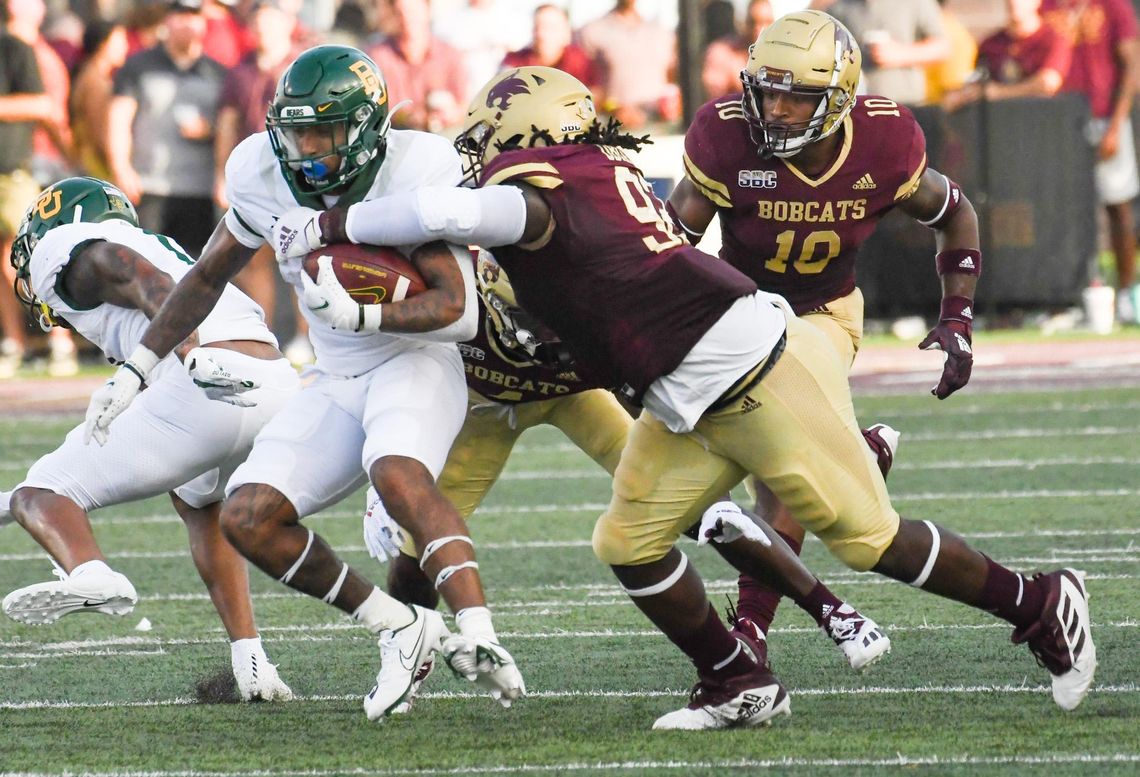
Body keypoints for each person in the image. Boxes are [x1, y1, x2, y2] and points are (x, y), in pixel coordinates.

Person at [268, 61, 1097, 728]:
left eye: (489, 138)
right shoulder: (590, 172)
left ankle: (1038, 601)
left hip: (752, 376)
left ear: (527, 137)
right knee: (628, 540)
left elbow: (436, 206)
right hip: (681, 392)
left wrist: (325, 228)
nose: (477, 151)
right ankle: (736, 677)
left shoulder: (543, 191)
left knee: (866, 538)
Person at [83, 45, 524, 720]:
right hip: (334, 374)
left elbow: (458, 312)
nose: (307, 148)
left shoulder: (416, 167)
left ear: (369, 129)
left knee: (397, 473)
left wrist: (362, 310)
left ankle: (482, 634)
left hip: (415, 358)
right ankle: (399, 626)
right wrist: (137, 365)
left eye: (324, 131)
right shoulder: (262, 173)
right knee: (245, 514)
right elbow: (206, 275)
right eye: (296, 131)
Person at [373, 250, 890, 679]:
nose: (550, 331)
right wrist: (392, 466)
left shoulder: (594, 312)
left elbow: (648, 397)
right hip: (481, 408)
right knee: (417, 542)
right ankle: (406, 649)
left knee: (709, 509)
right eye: (533, 315)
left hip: (580, 398)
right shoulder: (452, 297)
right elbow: (400, 376)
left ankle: (832, 611)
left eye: (557, 313)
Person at [667, 10, 975, 642]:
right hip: (739, 311)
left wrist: (958, 315)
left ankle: (750, 626)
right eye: (768, 90)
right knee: (735, 469)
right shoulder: (725, 136)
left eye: (796, 96)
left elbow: (954, 210)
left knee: (778, 468)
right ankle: (854, 450)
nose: (776, 110)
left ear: (838, 100)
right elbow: (671, 243)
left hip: (823, 313)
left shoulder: (884, 143)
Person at [1, 176, 298, 701]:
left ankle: (91, 574)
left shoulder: (64, 246)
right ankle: (252, 662)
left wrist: (189, 355)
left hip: (204, 378)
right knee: (198, 501)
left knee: (43, 492)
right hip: (273, 382)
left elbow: (136, 274)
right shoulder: (158, 243)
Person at [1043, 0, 1140, 324]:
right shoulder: (1047, 6)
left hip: (1103, 116)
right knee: (1061, 211)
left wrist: (1115, 125)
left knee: (1118, 205)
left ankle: (1126, 292)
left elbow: (1132, 65)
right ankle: (1067, 296)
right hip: (1058, 122)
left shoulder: (1113, 6)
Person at [106, 0, 226, 255]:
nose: (187, 23)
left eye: (194, 16)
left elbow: (229, 127)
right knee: (146, 264)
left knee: (191, 268)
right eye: (180, 15)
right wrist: (121, 166)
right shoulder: (138, 66)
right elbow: (119, 118)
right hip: (149, 185)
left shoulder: (218, 73)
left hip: (198, 190)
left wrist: (210, 130)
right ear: (166, 21)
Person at [942, 0, 1071, 113]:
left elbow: (1047, 84)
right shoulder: (990, 44)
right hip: (999, 126)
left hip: (1041, 123)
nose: (1014, 2)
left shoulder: (1053, 40)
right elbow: (977, 81)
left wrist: (1001, 93)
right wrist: (961, 96)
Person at [813, 0, 948, 105]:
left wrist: (900, 54)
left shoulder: (916, 2)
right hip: (856, 105)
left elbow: (943, 47)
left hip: (906, 105)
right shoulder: (840, 7)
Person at [366, 0, 466, 132]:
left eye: (413, 12)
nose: (407, 18)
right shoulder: (378, 56)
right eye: (400, 12)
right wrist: (411, 117)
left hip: (444, 134)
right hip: (396, 135)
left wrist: (449, 114)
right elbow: (377, 107)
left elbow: (464, 105)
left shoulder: (450, 55)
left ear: (428, 11)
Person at [501, 4, 600, 93]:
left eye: (551, 28)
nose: (542, 34)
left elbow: (593, 96)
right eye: (537, 27)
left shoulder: (581, 63)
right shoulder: (514, 62)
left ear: (566, 33)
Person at [701, 0, 774, 101]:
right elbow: (714, 102)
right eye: (753, 22)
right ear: (744, 22)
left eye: (766, 22)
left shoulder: (779, 57)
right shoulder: (721, 53)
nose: (759, 29)